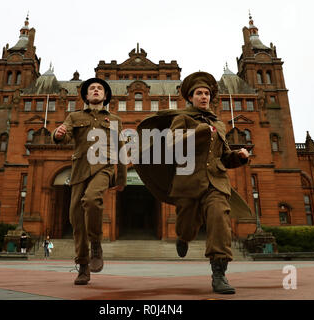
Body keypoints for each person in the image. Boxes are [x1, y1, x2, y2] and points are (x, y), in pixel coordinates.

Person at [134, 71, 250, 294]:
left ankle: (219, 274)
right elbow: (172, 144)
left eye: (207, 93)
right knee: (188, 225)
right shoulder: (182, 118)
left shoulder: (219, 124)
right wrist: (201, 132)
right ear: (190, 97)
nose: (204, 97)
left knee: (219, 219)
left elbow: (223, 157)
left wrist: (239, 157)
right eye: (199, 93)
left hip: (216, 182)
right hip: (188, 181)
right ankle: (183, 238)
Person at [51, 78, 127, 285]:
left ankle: (96, 244)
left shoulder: (115, 120)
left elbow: (121, 148)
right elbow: (63, 135)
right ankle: (83, 266)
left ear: (105, 96)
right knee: (76, 219)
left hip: (104, 166)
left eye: (99, 88)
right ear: (86, 96)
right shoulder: (74, 116)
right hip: (79, 170)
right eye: (91, 88)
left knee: (92, 199)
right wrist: (57, 134)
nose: (95, 90)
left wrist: (121, 179)